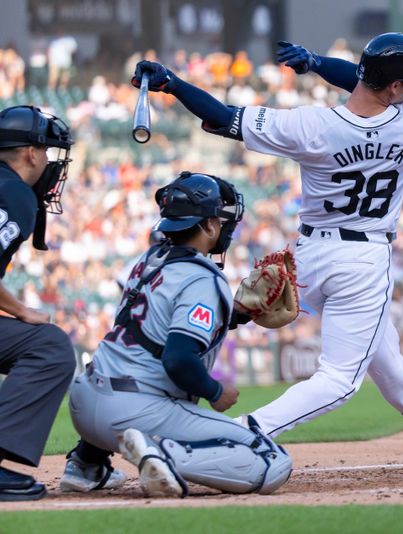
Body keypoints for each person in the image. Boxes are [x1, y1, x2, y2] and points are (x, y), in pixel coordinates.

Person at [131, 32, 403, 469]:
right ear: (398, 88)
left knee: (383, 361)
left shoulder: (310, 126)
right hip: (363, 259)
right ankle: (230, 435)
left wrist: (173, 84)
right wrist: (317, 64)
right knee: (340, 381)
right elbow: (366, 83)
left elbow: (224, 117)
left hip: (308, 253)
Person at [62, 172, 292, 497]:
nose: (227, 228)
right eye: (223, 220)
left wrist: (235, 315)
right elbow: (178, 360)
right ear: (210, 226)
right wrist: (215, 391)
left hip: (85, 404)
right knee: (274, 461)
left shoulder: (146, 260)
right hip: (134, 411)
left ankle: (86, 465)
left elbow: (151, 328)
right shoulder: (203, 279)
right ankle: (163, 455)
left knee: (129, 362)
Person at [0, 106, 78, 501]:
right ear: (31, 152)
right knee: (48, 346)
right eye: (47, 151)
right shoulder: (13, 193)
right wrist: (20, 311)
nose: (49, 162)